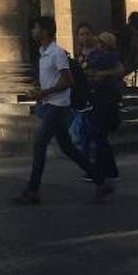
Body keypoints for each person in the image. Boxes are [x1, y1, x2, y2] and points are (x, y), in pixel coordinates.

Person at [15, 15, 111, 204]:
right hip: (50, 103)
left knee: (39, 144)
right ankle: (101, 182)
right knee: (67, 148)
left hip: (58, 106)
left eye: (35, 28)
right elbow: (50, 79)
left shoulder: (57, 53)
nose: (33, 31)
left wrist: (45, 92)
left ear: (44, 31)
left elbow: (68, 81)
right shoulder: (44, 53)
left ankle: (33, 190)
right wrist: (38, 91)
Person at [76, 25, 124, 183]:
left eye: (88, 34)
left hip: (103, 100)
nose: (97, 43)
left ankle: (97, 171)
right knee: (97, 136)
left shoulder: (104, 57)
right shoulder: (99, 55)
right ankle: (110, 170)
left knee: (96, 135)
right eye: (81, 34)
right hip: (96, 98)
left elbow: (117, 70)